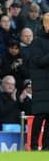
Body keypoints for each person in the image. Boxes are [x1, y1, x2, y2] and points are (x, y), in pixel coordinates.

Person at [29, 11, 49, 151]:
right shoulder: (37, 41)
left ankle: (47, 147)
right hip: (42, 85)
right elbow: (38, 61)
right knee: (39, 116)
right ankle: (34, 146)